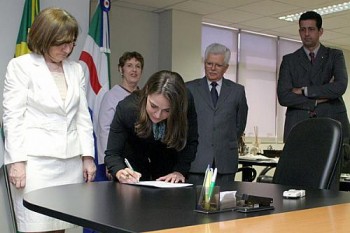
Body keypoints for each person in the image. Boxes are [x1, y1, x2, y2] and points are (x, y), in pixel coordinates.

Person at [2, 8, 96, 233]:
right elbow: (13, 117)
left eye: (71, 43)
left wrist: (88, 157)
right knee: (37, 226)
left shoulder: (76, 70)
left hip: (70, 161)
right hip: (35, 165)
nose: (67, 49)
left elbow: (82, 117)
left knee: (60, 225)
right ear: (44, 38)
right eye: (61, 43)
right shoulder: (21, 66)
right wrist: (16, 162)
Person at [104, 70, 198, 183]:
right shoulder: (127, 108)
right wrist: (120, 171)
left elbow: (190, 141)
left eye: (167, 110)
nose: (158, 115)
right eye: (153, 106)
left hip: (169, 170)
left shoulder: (185, 102)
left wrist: (180, 171)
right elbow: (112, 153)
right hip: (134, 168)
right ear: (147, 92)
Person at [277, 11, 350, 146]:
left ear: (320, 31)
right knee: (300, 166)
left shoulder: (334, 56)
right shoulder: (289, 60)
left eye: (311, 29)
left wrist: (304, 90)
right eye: (302, 29)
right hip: (299, 126)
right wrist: (317, 100)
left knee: (334, 166)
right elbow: (284, 96)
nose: (306, 34)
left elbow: (340, 86)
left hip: (331, 123)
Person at [186, 43, 248, 187]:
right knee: (193, 205)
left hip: (225, 162)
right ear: (204, 63)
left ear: (226, 67)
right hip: (196, 161)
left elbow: (239, 125)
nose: (212, 68)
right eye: (209, 64)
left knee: (225, 205)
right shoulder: (189, 88)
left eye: (218, 65)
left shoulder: (237, 91)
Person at [96, 51, 144, 180]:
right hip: (119, 156)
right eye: (129, 65)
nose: (134, 70)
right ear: (121, 69)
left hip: (140, 156)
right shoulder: (111, 96)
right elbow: (104, 130)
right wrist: (109, 162)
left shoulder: (145, 97)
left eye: (138, 66)